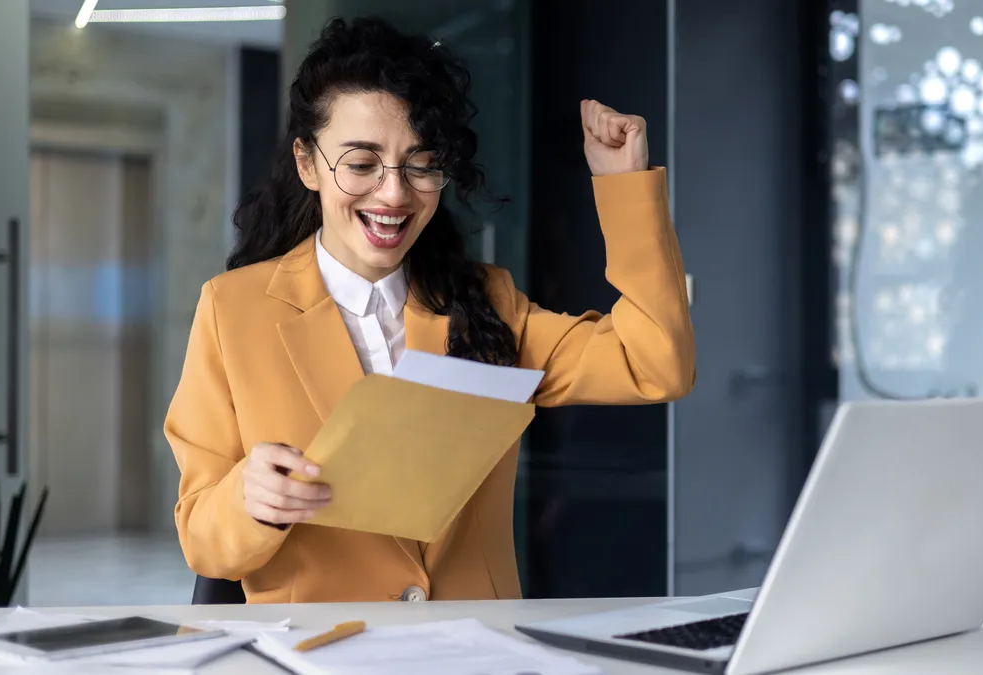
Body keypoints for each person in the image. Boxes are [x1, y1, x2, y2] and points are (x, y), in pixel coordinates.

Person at [165, 16, 694, 604]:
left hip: (475, 648)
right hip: (318, 654)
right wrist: (249, 500)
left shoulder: (488, 304)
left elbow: (656, 364)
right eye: (361, 164)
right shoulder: (232, 311)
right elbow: (202, 539)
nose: (393, 193)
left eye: (420, 164)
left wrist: (625, 188)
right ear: (308, 163)